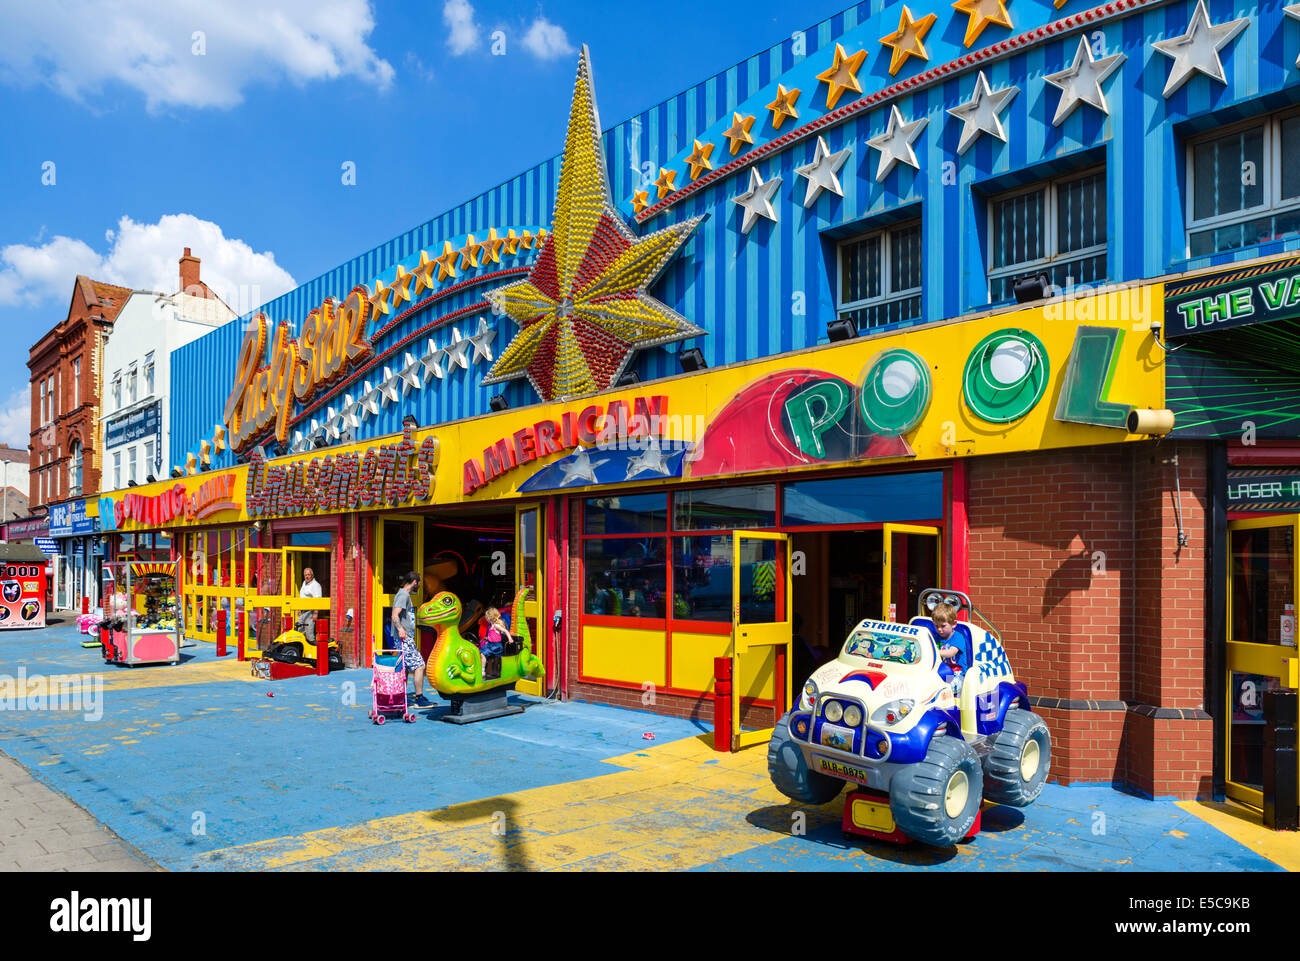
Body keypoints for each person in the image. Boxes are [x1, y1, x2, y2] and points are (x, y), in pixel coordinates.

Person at [392, 571, 429, 706]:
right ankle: (419, 698)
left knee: (406, 668)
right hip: (404, 638)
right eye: (419, 583)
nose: (419, 585)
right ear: (414, 582)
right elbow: (395, 615)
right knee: (420, 665)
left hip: (404, 637)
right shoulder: (403, 595)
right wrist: (401, 629)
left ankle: (401, 697)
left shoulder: (403, 594)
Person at [931, 602, 967, 693]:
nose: (939, 629)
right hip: (940, 673)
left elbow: (951, 652)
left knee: (947, 688)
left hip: (957, 675)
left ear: (954, 624)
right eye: (936, 626)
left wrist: (933, 651)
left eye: (943, 626)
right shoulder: (936, 638)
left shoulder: (958, 637)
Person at [479, 607, 509, 679]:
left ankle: (482, 671)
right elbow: (492, 635)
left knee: (483, 654)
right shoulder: (490, 626)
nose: (486, 618)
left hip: (496, 646)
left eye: (487, 617)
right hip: (490, 644)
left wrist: (510, 639)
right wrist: (487, 638)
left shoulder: (496, 625)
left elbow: (505, 631)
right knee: (479, 653)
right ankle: (483, 667)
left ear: (490, 617)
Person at [297, 567, 322, 644]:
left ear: (312, 575)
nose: (307, 576)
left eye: (308, 575)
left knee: (309, 635)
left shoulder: (316, 585)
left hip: (310, 612)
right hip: (303, 612)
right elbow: (302, 597)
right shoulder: (304, 583)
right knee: (299, 633)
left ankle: (315, 651)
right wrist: (299, 609)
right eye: (305, 575)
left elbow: (318, 600)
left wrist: (315, 613)